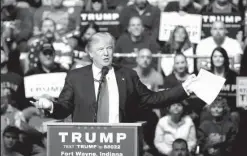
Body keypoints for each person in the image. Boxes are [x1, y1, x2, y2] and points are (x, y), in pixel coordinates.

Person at [31, 32, 198, 122]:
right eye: (100, 49)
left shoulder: (127, 75)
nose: (106, 53)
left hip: (120, 146)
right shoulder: (75, 77)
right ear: (90, 53)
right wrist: (50, 106)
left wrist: (183, 89)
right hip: (85, 147)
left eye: (109, 48)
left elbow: (153, 99)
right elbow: (64, 108)